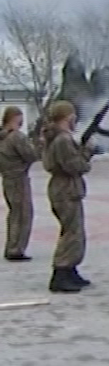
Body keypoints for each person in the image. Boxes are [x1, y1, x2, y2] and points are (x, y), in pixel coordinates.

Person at [41, 101, 94, 293]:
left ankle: (70, 269)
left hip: (64, 188)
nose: (75, 120)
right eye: (72, 116)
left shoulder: (58, 137)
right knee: (72, 233)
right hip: (66, 189)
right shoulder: (63, 139)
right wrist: (87, 152)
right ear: (67, 117)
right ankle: (61, 273)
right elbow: (74, 165)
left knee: (74, 232)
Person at [0, 106, 37, 261]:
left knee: (14, 213)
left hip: (7, 178)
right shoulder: (16, 137)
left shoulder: (2, 136)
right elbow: (31, 155)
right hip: (19, 178)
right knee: (23, 214)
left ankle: (12, 246)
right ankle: (16, 249)